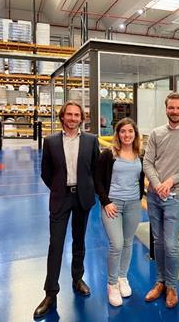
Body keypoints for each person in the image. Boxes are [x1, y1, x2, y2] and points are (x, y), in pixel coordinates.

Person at [34, 101, 100, 319]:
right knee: (56, 244)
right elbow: (46, 173)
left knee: (79, 241)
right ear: (63, 117)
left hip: (82, 198)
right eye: (69, 114)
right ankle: (50, 293)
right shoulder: (51, 141)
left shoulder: (91, 141)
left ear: (81, 118)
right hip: (61, 198)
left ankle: (77, 279)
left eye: (76, 115)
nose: (73, 118)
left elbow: (95, 169)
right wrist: (58, 188)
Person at [143, 92, 179, 308]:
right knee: (158, 242)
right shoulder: (156, 134)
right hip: (154, 195)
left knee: (170, 244)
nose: (175, 111)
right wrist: (157, 184)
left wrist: (170, 181)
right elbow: (148, 162)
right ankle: (160, 282)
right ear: (166, 108)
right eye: (171, 108)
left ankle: (172, 287)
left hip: (176, 196)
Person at [95, 118, 145, 307]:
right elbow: (98, 180)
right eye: (123, 131)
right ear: (118, 134)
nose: (127, 135)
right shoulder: (109, 154)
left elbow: (141, 178)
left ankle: (123, 278)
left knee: (127, 242)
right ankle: (112, 283)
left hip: (133, 204)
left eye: (130, 131)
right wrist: (105, 202)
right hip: (113, 204)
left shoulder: (140, 154)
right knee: (116, 244)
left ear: (135, 134)